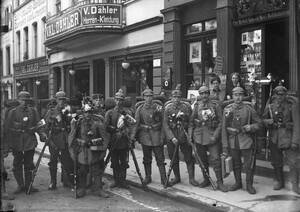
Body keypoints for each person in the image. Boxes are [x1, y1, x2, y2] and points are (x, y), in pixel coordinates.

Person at [221, 85, 262, 194]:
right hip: (233, 141)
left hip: (246, 140)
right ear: (232, 96)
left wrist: (251, 127)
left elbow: (259, 123)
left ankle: (249, 185)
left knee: (249, 165)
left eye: (240, 95)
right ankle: (238, 183)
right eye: (236, 95)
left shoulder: (249, 109)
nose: (238, 97)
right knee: (235, 163)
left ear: (243, 96)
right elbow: (223, 128)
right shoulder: (227, 109)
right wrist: (225, 145)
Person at [188, 84, 228, 192]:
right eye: (201, 93)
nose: (204, 95)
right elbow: (191, 122)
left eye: (206, 93)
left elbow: (221, 122)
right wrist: (190, 136)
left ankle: (220, 182)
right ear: (199, 95)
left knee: (215, 160)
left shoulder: (215, 105)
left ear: (209, 94)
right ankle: (206, 179)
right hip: (199, 137)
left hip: (212, 137)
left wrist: (215, 135)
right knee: (202, 160)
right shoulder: (196, 106)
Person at [68, 97, 110, 198]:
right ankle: (82, 188)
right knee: (82, 171)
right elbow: (72, 137)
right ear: (83, 113)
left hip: (94, 151)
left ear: (92, 112)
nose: (88, 114)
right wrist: (73, 150)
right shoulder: (78, 123)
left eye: (89, 112)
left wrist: (103, 151)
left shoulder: (98, 123)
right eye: (86, 112)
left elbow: (105, 138)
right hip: (82, 151)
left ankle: (99, 189)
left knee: (97, 171)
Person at [262, 83, 300, 194]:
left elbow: (297, 124)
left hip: (288, 137)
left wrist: (295, 141)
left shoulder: (291, 105)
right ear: (275, 95)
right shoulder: (270, 106)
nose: (280, 97)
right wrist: (269, 122)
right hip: (275, 137)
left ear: (285, 95)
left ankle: (295, 184)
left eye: (282, 95)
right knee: (276, 162)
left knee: (293, 163)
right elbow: (263, 119)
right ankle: (279, 181)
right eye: (278, 95)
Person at [7, 90, 45, 194]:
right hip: (17, 142)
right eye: (22, 100)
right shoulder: (12, 112)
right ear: (18, 100)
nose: (25, 102)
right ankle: (20, 185)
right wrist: (9, 143)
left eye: (27, 100)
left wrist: (42, 134)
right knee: (17, 164)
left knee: (29, 164)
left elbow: (39, 124)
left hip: (29, 141)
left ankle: (29, 185)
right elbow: (8, 128)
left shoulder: (33, 111)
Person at [131, 87, 170, 186]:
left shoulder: (158, 107)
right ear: (143, 97)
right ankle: (148, 177)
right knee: (147, 159)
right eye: (146, 96)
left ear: (153, 97)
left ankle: (163, 178)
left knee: (160, 159)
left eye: (150, 96)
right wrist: (132, 137)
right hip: (145, 137)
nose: (148, 98)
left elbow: (163, 122)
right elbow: (136, 124)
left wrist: (163, 136)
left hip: (156, 135)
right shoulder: (140, 109)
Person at [163, 84, 199, 186]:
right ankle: (177, 177)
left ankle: (192, 178)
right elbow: (165, 125)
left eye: (178, 97)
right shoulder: (167, 108)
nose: (176, 99)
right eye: (174, 97)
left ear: (181, 98)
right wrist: (171, 137)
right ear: (171, 98)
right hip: (172, 136)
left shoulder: (186, 107)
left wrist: (189, 135)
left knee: (188, 157)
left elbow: (191, 121)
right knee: (173, 158)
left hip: (184, 135)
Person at [44, 90, 74, 190]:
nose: (62, 101)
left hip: (65, 140)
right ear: (56, 100)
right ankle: (53, 182)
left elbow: (71, 125)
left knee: (67, 161)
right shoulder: (51, 111)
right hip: (54, 141)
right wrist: (49, 141)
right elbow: (46, 128)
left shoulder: (68, 111)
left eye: (63, 99)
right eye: (60, 99)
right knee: (53, 162)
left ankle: (66, 181)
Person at [105, 89, 134, 189]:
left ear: (123, 101)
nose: (119, 102)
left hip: (124, 141)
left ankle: (123, 181)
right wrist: (115, 130)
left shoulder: (127, 113)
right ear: (114, 100)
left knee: (124, 162)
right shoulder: (109, 113)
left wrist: (126, 132)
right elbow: (106, 126)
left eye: (121, 100)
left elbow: (132, 125)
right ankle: (116, 180)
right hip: (113, 141)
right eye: (117, 100)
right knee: (114, 162)